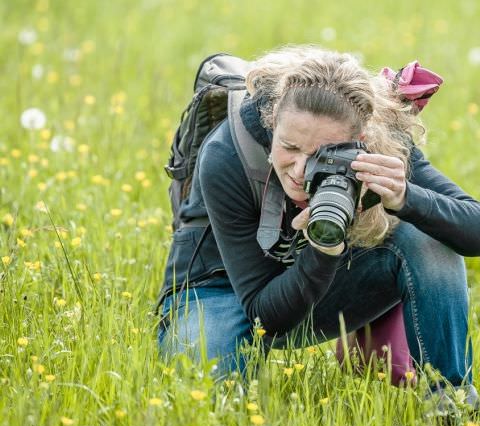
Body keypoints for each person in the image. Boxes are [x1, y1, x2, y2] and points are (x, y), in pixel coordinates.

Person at [157, 46, 480, 405]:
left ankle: (450, 403)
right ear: (272, 121)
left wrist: (407, 199)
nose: (298, 170)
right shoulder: (228, 154)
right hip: (219, 288)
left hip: (318, 282)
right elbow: (265, 315)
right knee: (208, 399)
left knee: (425, 236)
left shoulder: (380, 142)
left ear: (359, 141)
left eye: (321, 154)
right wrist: (322, 250)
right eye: (289, 147)